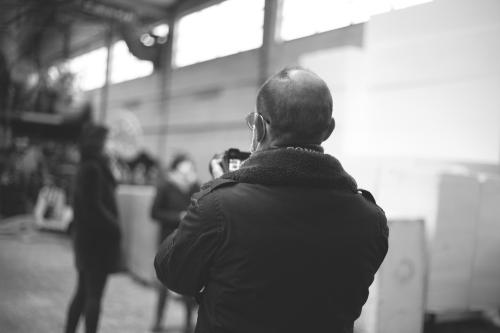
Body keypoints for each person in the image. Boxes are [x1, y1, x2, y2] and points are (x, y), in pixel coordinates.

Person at [154, 66, 389, 333]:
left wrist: (219, 187)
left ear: (258, 128)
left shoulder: (220, 207)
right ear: (329, 129)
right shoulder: (371, 220)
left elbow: (173, 272)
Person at [64, 124, 122, 333]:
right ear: (99, 143)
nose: (112, 144)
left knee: (83, 292)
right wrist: (114, 226)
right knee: (93, 296)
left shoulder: (94, 166)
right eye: (108, 140)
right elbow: (93, 207)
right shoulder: (92, 168)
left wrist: (111, 165)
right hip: (96, 243)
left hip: (89, 241)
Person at [151, 154, 200, 332]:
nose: (187, 174)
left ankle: (188, 325)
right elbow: (154, 212)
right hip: (168, 241)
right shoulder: (165, 186)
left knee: (189, 285)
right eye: (184, 170)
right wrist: (177, 217)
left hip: (189, 241)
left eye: (190, 170)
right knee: (163, 286)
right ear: (176, 170)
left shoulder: (195, 186)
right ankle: (158, 321)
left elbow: (202, 208)